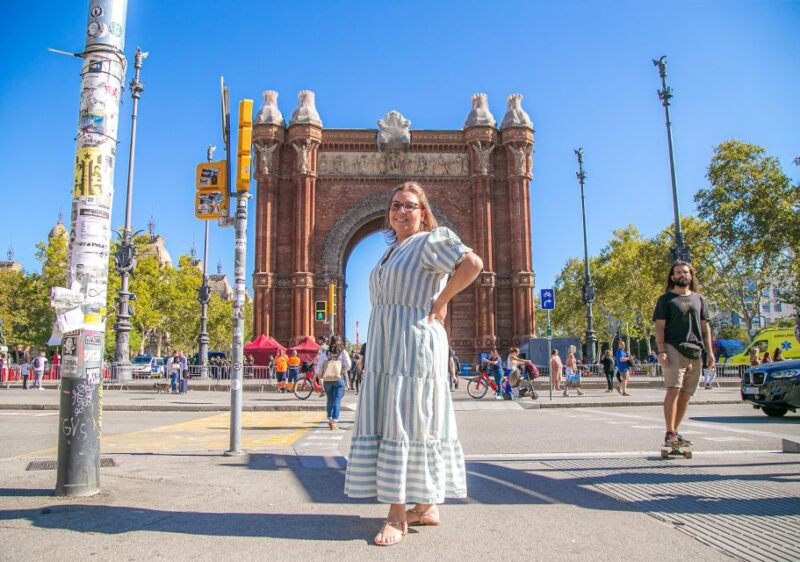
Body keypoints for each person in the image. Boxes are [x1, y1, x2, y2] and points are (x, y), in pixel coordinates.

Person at [343, 181, 483, 546]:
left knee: (403, 419)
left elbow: (472, 264)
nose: (401, 211)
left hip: (412, 342)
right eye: (395, 206)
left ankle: (396, 517)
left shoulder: (430, 241)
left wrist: (442, 302)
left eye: (409, 206)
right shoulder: (393, 251)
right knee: (415, 417)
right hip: (390, 343)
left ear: (423, 213)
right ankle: (425, 505)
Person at [653, 261, 715, 449]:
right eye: (678, 272)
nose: (682, 275)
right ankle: (669, 432)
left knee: (686, 395)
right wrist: (661, 350)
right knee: (674, 389)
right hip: (673, 348)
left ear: (691, 275)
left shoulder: (699, 299)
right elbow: (659, 326)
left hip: (695, 351)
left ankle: (675, 432)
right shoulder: (666, 300)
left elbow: (705, 327)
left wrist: (710, 352)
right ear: (672, 277)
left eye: (685, 272)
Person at [315, 335, 352, 431]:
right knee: (337, 400)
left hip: (327, 380)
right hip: (338, 379)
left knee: (330, 399)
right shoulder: (343, 352)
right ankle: (333, 422)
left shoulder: (325, 353)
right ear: (340, 342)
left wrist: (320, 377)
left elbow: (319, 367)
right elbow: (348, 365)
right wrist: (342, 369)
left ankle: (330, 418)